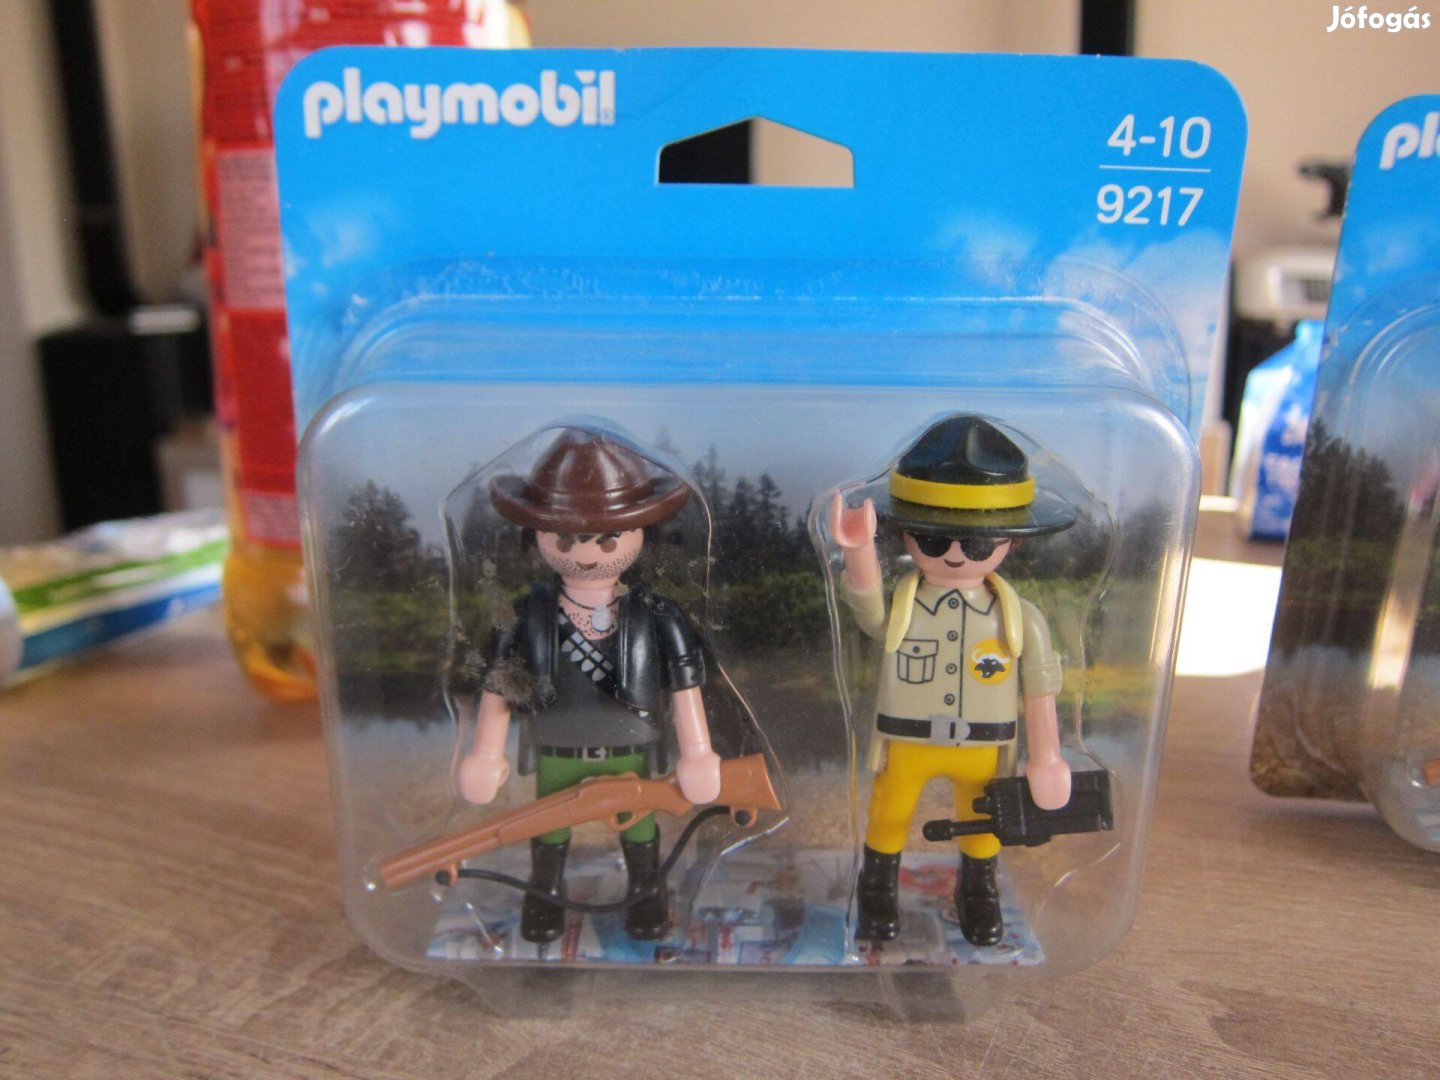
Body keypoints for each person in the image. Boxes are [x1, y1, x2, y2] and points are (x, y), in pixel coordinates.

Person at [456, 428, 721, 943]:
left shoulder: (654, 614)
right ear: (538, 535)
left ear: (641, 533)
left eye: (607, 539)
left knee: (638, 825)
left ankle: (645, 893)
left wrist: (698, 752)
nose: (587, 554)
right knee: (548, 826)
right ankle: (545, 895)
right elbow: (501, 683)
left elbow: (684, 684)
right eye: (566, 539)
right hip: (558, 749)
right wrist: (485, 752)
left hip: (629, 750)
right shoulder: (528, 615)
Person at [829, 414, 1076, 946]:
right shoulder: (906, 606)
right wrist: (857, 550)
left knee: (983, 823)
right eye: (935, 539)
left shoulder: (1019, 619)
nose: (957, 554)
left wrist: (1047, 757)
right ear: (909, 535)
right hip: (908, 738)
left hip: (984, 747)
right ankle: (878, 888)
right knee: (889, 812)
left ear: (1009, 541)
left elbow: (1040, 688)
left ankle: (979, 889)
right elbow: (870, 616)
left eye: (977, 544)